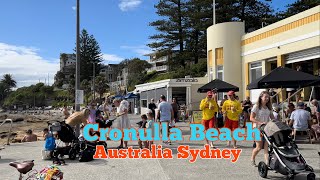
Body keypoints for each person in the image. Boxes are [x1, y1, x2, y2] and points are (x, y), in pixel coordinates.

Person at [250, 91, 275, 166]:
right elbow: (251, 118)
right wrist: (260, 122)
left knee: (266, 148)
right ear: (261, 97)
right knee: (259, 147)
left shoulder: (269, 108)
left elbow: (272, 118)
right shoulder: (256, 107)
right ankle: (252, 158)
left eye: (268, 97)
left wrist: (276, 122)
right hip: (257, 129)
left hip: (266, 129)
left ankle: (267, 163)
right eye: (265, 97)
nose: (267, 98)